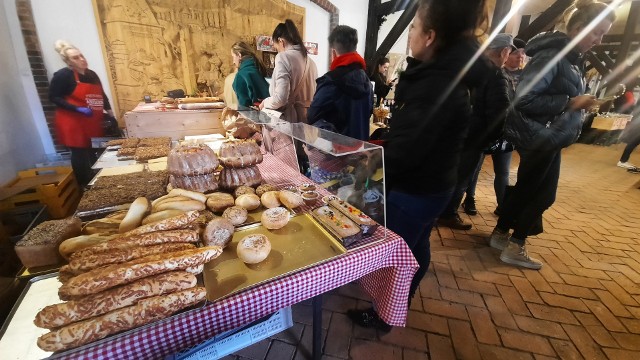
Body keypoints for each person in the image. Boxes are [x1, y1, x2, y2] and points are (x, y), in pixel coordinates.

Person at [347, 0, 488, 331]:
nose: (409, 33)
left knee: (396, 254)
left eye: (413, 27)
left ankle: (385, 314)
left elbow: (408, 152)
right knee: (417, 245)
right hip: (437, 182)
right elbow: (421, 137)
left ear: (430, 36)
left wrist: (366, 166)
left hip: (417, 188)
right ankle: (402, 300)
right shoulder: (448, 73)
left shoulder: (437, 82)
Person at [491, 0, 616, 269]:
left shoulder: (569, 58)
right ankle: (515, 245)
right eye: (597, 33)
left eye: (603, 35)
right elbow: (524, 100)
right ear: (580, 28)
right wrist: (571, 103)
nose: (598, 40)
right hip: (542, 137)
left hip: (548, 136)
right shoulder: (554, 56)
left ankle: (501, 234)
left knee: (527, 189)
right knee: (542, 194)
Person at [437, 33, 513, 229]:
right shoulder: (497, 75)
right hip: (475, 137)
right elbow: (500, 112)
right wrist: (489, 140)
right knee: (462, 178)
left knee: (451, 174)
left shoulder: (469, 70)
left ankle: (442, 211)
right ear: (504, 51)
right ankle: (448, 213)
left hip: (457, 132)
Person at [49, 40, 114, 188]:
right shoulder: (63, 75)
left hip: (91, 121)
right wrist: (76, 108)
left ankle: (97, 181)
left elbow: (102, 95)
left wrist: (111, 114)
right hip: (72, 121)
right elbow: (54, 97)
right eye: (76, 58)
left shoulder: (92, 75)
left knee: (93, 151)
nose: (82, 59)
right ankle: (85, 185)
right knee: (79, 153)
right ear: (68, 62)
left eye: (82, 55)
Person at [307, 25, 373, 140]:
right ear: (355, 49)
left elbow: (312, 116)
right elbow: (368, 113)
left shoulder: (330, 81)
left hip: (338, 153)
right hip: (361, 150)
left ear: (333, 52)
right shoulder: (367, 81)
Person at [260, 19, 318, 123]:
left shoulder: (283, 57)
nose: (278, 51)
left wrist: (265, 102)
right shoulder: (311, 63)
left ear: (281, 41)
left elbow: (280, 98)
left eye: (276, 47)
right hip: (308, 122)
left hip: (290, 123)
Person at [231, 42, 270, 108]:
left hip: (254, 116)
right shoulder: (257, 70)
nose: (233, 61)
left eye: (233, 57)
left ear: (239, 55)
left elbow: (244, 107)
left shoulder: (241, 76)